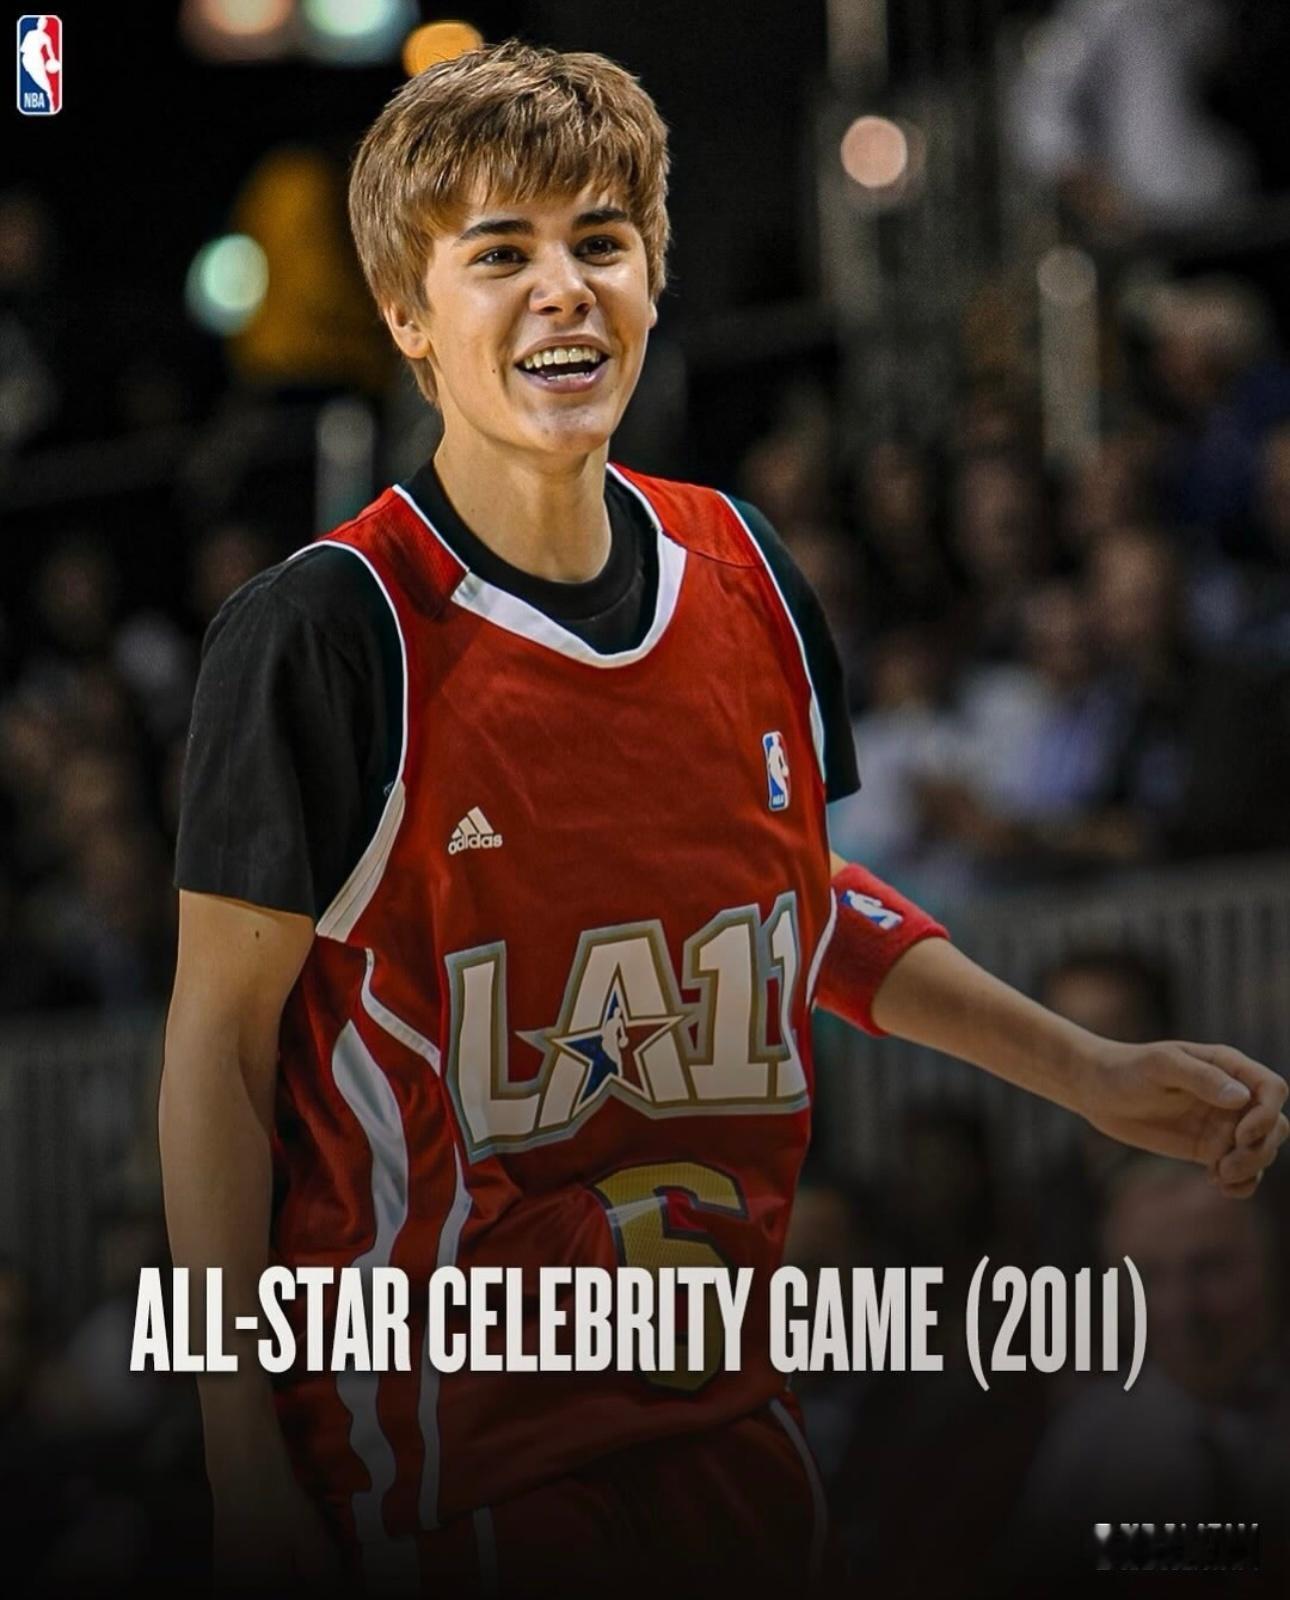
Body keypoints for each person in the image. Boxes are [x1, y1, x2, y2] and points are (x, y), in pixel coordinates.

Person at [159, 41, 1289, 1599]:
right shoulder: (327, 630)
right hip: (444, 1464)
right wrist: (240, 1461)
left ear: (652, 277)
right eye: (501, 254)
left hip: (734, 1429)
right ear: (408, 314)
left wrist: (1087, 1073)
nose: (563, 289)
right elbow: (219, 1053)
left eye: (600, 241)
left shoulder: (748, 571)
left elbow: (801, 901)